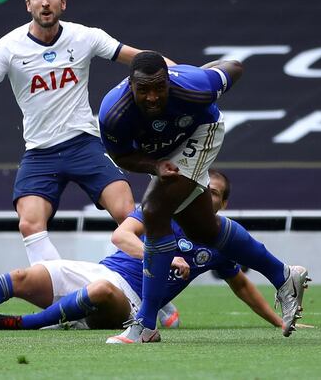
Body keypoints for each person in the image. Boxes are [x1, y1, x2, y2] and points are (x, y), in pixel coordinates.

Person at [0, 0, 168, 265]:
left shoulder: (85, 36)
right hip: (40, 152)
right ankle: (63, 296)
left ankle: (154, 299)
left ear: (63, 3)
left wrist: (185, 73)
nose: (45, 2)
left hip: (84, 143)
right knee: (29, 224)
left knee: (127, 213)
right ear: (28, 4)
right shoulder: (9, 46)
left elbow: (143, 59)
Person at [98, 51, 310, 343]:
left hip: (202, 132)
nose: (152, 97)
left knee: (154, 210)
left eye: (159, 87)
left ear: (170, 82)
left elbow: (235, 67)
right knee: (204, 230)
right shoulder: (113, 113)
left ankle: (145, 324)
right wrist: (154, 165)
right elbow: (122, 156)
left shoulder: (195, 86)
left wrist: (201, 72)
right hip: (161, 155)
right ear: (129, 85)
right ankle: (284, 275)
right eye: (143, 89)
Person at [0, 169, 284, 332]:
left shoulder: (219, 240)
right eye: (201, 187)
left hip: (132, 301)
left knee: (103, 293)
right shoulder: (159, 210)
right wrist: (162, 255)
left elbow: (242, 286)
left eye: (213, 193)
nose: (204, 195)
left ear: (224, 204)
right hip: (98, 271)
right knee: (21, 277)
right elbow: (121, 237)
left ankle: (27, 325)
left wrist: (280, 321)